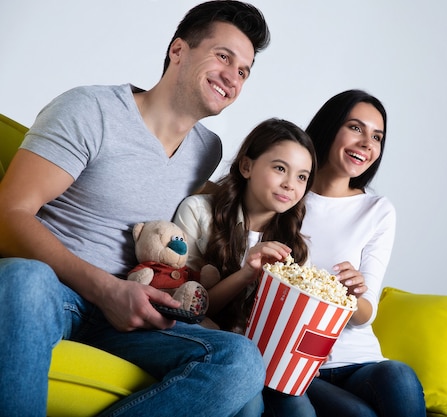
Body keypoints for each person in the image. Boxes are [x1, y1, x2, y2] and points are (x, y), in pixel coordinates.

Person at [0, 2, 271, 416]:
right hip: (53, 291)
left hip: (131, 312)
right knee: (24, 278)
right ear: (178, 50)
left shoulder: (206, 150)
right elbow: (8, 214)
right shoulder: (91, 110)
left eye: (244, 71)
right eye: (223, 56)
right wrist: (106, 290)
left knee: (242, 360)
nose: (233, 77)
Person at [262, 90, 427, 417]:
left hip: (359, 360)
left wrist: (352, 295)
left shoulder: (378, 210)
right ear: (329, 128)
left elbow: (367, 312)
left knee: (400, 376)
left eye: (377, 136)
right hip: (298, 362)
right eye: (356, 128)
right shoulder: (285, 194)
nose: (367, 143)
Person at [173, 118, 316, 334]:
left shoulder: (295, 249)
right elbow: (182, 307)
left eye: (302, 177)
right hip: (194, 336)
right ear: (246, 166)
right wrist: (247, 273)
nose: (290, 184)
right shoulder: (198, 212)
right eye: (280, 168)